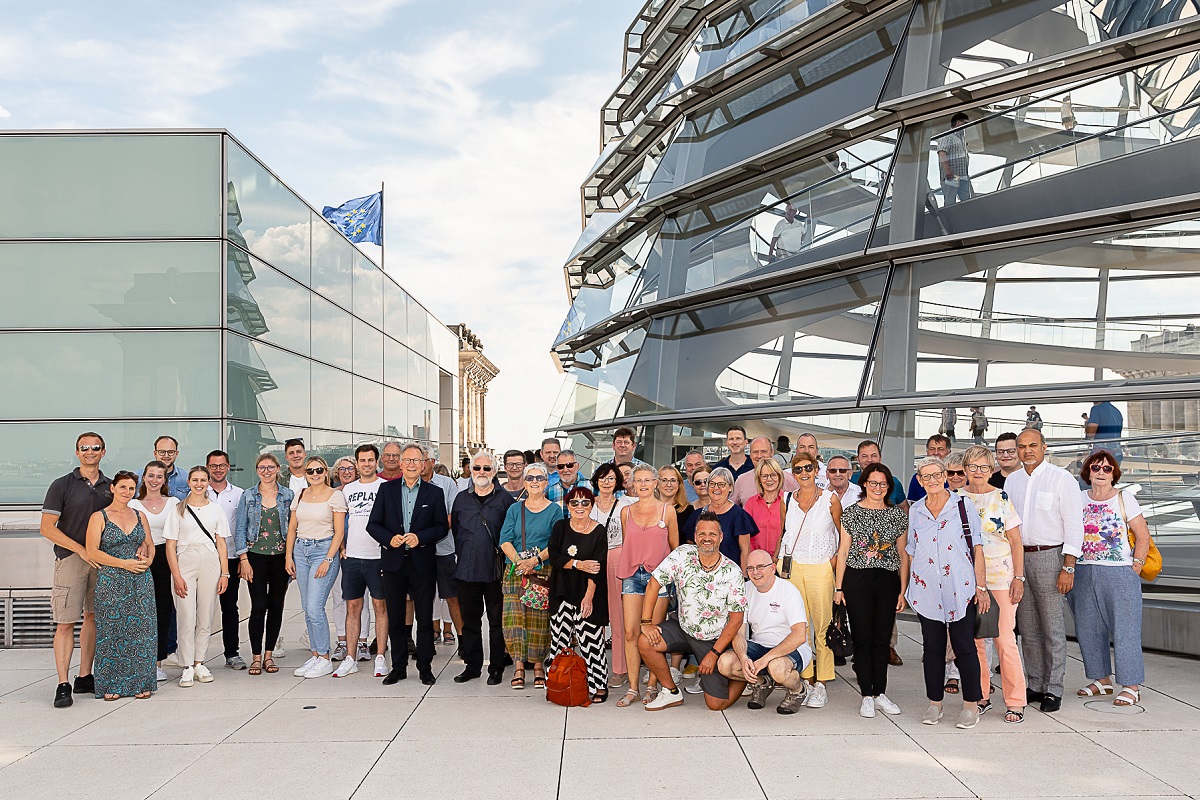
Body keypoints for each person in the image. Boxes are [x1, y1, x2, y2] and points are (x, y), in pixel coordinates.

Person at [1005, 429, 1084, 713]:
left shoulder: (1062, 479)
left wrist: (1069, 566)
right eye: (1022, 446)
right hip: (1018, 559)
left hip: (1051, 557)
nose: (1027, 451)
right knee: (1027, 628)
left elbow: (1075, 525)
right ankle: (1035, 683)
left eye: (1033, 446)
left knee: (1052, 627)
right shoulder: (1011, 480)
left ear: (1044, 447)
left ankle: (1054, 688)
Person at [637, 513, 748, 711]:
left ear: (721, 537)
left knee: (716, 705)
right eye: (702, 533)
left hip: (713, 640)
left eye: (712, 534)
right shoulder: (682, 555)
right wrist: (646, 623)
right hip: (683, 628)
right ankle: (671, 692)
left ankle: (741, 679)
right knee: (645, 642)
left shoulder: (732, 571)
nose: (707, 538)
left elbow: (736, 619)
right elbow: (654, 583)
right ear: (695, 536)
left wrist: (714, 653)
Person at [906, 457, 987, 729]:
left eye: (936, 475)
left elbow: (977, 547)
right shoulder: (916, 510)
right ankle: (935, 704)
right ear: (919, 480)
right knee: (932, 649)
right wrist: (905, 587)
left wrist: (981, 586)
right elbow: (911, 550)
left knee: (965, 647)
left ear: (945, 476)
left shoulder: (963, 505)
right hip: (927, 589)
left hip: (960, 588)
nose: (931, 480)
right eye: (925, 477)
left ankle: (970, 705)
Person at [1072, 450, 1150, 708]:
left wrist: (1135, 567)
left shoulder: (1125, 498)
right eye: (1096, 468)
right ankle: (1101, 679)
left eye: (1107, 469)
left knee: (1125, 630)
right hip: (1084, 571)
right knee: (1088, 629)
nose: (1101, 472)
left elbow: (1143, 536)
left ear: (1114, 473)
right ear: (1088, 472)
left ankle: (1131, 685)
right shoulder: (1078, 498)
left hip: (1119, 572)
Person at [42, 433, 114, 708]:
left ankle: (85, 676)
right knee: (65, 623)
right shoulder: (62, 485)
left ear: (103, 452)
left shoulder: (111, 486)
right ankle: (63, 683)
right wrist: (81, 549)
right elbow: (47, 528)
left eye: (95, 448)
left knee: (93, 617)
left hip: (103, 561)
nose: (90, 452)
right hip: (71, 559)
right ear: (77, 452)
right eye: (84, 448)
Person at [368, 443, 448, 685]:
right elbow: (373, 524)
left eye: (417, 460)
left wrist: (420, 537)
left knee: (424, 618)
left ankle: (425, 668)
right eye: (408, 460)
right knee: (395, 618)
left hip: (422, 563)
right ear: (400, 463)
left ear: (423, 464)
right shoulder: (386, 490)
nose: (412, 464)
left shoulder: (434, 493)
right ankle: (399, 667)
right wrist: (389, 539)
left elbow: (442, 527)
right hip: (393, 563)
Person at [834, 462, 908, 718]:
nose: (878, 488)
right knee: (863, 637)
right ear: (864, 483)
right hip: (857, 579)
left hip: (887, 581)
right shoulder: (851, 513)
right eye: (873, 483)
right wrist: (839, 587)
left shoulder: (898, 515)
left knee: (881, 638)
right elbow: (843, 552)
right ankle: (866, 694)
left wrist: (902, 590)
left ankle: (880, 692)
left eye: (883, 484)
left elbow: (902, 554)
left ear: (889, 487)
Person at [960, 445, 1028, 723]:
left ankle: (1016, 701)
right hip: (967, 581)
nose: (978, 473)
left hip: (1001, 579)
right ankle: (981, 696)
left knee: (1004, 640)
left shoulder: (1001, 497)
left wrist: (1019, 577)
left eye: (984, 467)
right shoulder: (955, 500)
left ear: (992, 470)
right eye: (972, 467)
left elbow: (1015, 541)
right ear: (964, 469)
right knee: (975, 642)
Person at [775, 451, 842, 708]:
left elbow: (842, 533)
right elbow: (784, 534)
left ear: (817, 470)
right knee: (797, 627)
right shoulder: (787, 499)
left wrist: (833, 561)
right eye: (798, 469)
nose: (804, 473)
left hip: (820, 568)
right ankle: (805, 678)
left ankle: (822, 683)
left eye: (808, 468)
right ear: (793, 474)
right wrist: (778, 562)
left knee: (822, 626)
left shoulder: (830, 499)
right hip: (791, 568)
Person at [85, 471, 155, 700]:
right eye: (123, 487)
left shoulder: (139, 515)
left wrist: (148, 560)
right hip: (111, 580)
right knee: (112, 632)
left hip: (140, 579)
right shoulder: (99, 517)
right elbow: (92, 551)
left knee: (142, 633)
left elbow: (150, 544)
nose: (127, 492)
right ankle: (111, 685)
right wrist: (123, 564)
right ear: (113, 488)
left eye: (131, 488)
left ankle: (141, 683)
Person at [718, 549, 812, 714]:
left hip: (793, 648)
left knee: (777, 667)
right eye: (751, 568)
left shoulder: (788, 591)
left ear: (773, 568)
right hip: (760, 644)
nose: (755, 572)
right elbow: (738, 632)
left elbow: (798, 636)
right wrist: (743, 657)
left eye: (760, 566)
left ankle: (798, 690)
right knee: (725, 664)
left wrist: (764, 661)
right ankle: (763, 682)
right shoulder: (745, 590)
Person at [616, 464, 680, 707]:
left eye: (647, 480)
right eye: (638, 480)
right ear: (632, 484)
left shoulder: (668, 511)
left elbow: (674, 548)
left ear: (656, 483)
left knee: (653, 633)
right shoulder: (626, 512)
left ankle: (653, 686)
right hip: (632, 575)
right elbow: (628, 542)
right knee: (631, 632)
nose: (643, 484)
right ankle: (633, 687)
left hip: (659, 578)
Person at [451, 451, 516, 684]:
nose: (481, 473)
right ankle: (472, 666)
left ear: (494, 471)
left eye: (486, 469)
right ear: (470, 470)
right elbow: (457, 531)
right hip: (467, 571)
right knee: (470, 622)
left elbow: (510, 534)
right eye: (477, 468)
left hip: (495, 572)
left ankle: (496, 667)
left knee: (497, 622)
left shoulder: (505, 499)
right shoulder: (460, 499)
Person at [164, 466, 231, 688]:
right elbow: (170, 544)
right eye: (195, 480)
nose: (199, 484)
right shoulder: (178, 509)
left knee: (206, 613)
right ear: (189, 482)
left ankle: (199, 662)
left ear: (208, 482)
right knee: (185, 614)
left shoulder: (216, 509)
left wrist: (224, 572)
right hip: (185, 558)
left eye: (203, 480)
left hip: (210, 558)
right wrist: (176, 575)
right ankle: (186, 666)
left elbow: (221, 542)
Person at [498, 462, 564, 690]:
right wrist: (520, 563)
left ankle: (537, 666)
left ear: (546, 483)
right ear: (524, 483)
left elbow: (557, 543)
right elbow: (504, 540)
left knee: (539, 622)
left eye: (539, 478)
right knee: (514, 621)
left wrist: (535, 561)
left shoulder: (555, 510)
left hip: (542, 571)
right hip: (517, 571)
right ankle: (518, 667)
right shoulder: (515, 509)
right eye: (530, 478)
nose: (534, 482)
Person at [286, 456, 347, 679]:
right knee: (306, 606)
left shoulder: (335, 496)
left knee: (315, 607)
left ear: (326, 471)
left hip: (323, 550)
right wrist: (288, 557)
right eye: (310, 471)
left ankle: (324, 657)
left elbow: (339, 532)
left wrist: (328, 559)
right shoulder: (300, 495)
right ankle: (314, 654)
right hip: (301, 551)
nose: (314, 474)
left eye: (318, 470)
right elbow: (292, 527)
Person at [548, 486, 610, 703]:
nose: (580, 507)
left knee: (591, 641)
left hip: (587, 593)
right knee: (559, 641)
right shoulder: (560, 527)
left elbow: (598, 566)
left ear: (592, 505)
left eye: (585, 502)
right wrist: (578, 564)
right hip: (561, 592)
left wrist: (589, 596)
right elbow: (554, 557)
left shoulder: (599, 531)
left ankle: (598, 685)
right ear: (568, 506)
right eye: (574, 502)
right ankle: (558, 681)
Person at [235, 453, 294, 676]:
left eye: (270, 467)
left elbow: (293, 528)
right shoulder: (248, 495)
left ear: (278, 468)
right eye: (262, 467)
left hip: (280, 558)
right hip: (255, 556)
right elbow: (240, 527)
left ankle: (269, 655)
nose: (266, 471)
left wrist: (291, 558)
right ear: (257, 470)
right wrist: (243, 559)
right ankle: (256, 657)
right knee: (259, 606)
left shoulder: (288, 495)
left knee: (276, 605)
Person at [334, 444, 389, 679]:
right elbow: (338, 522)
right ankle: (350, 657)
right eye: (362, 460)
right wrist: (342, 545)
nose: (366, 464)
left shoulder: (386, 487)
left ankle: (380, 657)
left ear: (377, 462)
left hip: (378, 556)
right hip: (353, 557)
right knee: (353, 607)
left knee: (380, 607)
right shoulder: (346, 490)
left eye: (370, 460)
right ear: (357, 464)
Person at [130, 461, 180, 682]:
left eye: (159, 476)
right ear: (144, 477)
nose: (154, 480)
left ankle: (157, 662)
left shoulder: (174, 503)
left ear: (164, 480)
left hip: (165, 558)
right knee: (140, 611)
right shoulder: (133, 504)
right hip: (140, 559)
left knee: (163, 611)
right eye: (150, 475)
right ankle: (139, 659)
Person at [590, 463, 635, 688]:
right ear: (595, 480)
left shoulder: (626, 504)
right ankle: (595, 666)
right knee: (594, 614)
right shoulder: (587, 504)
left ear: (617, 481)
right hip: (593, 561)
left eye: (610, 478)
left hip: (618, 558)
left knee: (618, 617)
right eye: (602, 478)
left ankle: (620, 668)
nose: (606, 482)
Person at [205, 450, 246, 671]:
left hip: (229, 559)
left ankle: (232, 653)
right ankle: (195, 656)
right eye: (213, 466)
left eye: (222, 465)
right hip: (204, 559)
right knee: (200, 608)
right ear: (207, 467)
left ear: (228, 467)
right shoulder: (200, 492)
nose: (218, 469)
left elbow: (242, 528)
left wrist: (242, 557)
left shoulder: (240, 494)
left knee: (230, 607)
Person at [329, 454, 371, 664]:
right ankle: (342, 641)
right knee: (339, 598)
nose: (346, 472)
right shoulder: (332, 495)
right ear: (336, 473)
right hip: (338, 553)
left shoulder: (365, 492)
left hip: (360, 553)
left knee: (361, 599)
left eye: (350, 468)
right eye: (342, 469)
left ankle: (362, 641)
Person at [680, 466, 755, 573]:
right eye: (712, 484)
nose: (716, 488)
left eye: (721, 484)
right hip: (701, 576)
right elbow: (690, 545)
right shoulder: (697, 514)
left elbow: (745, 550)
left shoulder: (739, 515)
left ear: (730, 487)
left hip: (730, 576)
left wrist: (744, 578)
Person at [422, 451, 461, 648]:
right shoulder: (409, 484)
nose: (419, 464)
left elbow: (453, 514)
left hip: (444, 548)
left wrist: (428, 535)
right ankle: (431, 632)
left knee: (451, 595)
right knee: (425, 596)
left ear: (432, 462)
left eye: (423, 460)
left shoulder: (446, 484)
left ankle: (462, 640)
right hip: (418, 551)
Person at [731, 436, 799, 505]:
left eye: (764, 451)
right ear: (750, 455)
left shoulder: (787, 478)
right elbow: (731, 508)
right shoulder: (742, 480)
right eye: (755, 452)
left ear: (772, 452)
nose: (759, 456)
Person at [743, 458, 787, 555]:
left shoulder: (788, 501)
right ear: (759, 479)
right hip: (757, 561)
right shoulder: (751, 503)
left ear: (779, 477)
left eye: (773, 475)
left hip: (782, 560)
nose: (769, 479)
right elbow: (746, 536)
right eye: (764, 476)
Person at [854, 440, 907, 508]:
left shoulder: (894, 482)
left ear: (880, 458)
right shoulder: (850, 481)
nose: (869, 460)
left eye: (874, 455)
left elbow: (904, 508)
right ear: (858, 459)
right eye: (864, 456)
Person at [938, 111, 972, 206]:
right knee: (950, 202)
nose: (966, 126)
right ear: (958, 122)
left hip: (963, 177)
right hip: (951, 177)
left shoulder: (962, 138)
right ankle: (950, 220)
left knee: (967, 202)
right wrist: (948, 171)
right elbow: (942, 153)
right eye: (964, 123)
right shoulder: (947, 136)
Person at [140, 435, 190, 500]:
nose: (166, 455)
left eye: (171, 452)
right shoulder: (138, 476)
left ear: (176, 453)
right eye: (162, 452)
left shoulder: (187, 477)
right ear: (155, 453)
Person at [907, 434, 952, 503]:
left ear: (949, 452)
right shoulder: (918, 478)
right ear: (927, 452)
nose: (936, 453)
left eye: (941, 449)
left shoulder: (958, 476)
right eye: (932, 449)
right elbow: (914, 504)